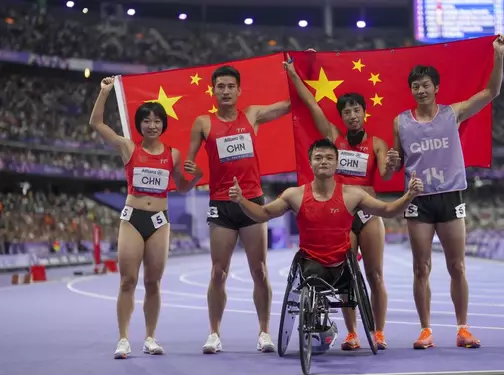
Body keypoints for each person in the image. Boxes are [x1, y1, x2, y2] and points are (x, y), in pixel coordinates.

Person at [228, 139, 423, 349]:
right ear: (310, 163)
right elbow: (263, 213)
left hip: (342, 268)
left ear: (337, 164)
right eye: (318, 158)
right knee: (311, 272)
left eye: (329, 158)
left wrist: (409, 195)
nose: (324, 161)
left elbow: (387, 210)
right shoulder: (295, 195)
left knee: (369, 275)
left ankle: (371, 331)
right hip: (310, 267)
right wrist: (241, 200)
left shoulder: (353, 194)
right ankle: (335, 328)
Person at [391, 35, 504, 349]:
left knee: (457, 265)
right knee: (421, 267)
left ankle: (462, 328)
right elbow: (394, 165)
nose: (420, 89)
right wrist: (391, 162)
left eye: (425, 84)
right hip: (418, 201)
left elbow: (491, 92)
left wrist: (498, 55)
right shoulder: (400, 122)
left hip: (451, 195)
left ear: (436, 87)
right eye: (415, 85)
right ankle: (426, 330)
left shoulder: (452, 114)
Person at [283, 53, 399, 350]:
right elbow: (311, 105)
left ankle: (380, 331)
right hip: (342, 214)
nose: (351, 115)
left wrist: (393, 163)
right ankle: (352, 333)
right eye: (346, 111)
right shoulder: (335, 139)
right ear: (342, 116)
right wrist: (294, 75)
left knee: (375, 274)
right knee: (349, 274)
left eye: (356, 110)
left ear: (364, 112)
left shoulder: (377, 144)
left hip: (369, 213)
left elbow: (386, 173)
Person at [89, 76, 203, 359]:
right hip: (132, 218)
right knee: (127, 280)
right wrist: (104, 93)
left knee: (153, 282)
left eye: (157, 120)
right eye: (146, 120)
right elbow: (97, 124)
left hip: (159, 221)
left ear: (163, 124)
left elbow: (183, 186)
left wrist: (197, 176)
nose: (152, 125)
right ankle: (123, 339)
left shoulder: (173, 155)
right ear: (139, 124)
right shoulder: (129, 148)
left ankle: (150, 337)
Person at [185, 65, 291, 354]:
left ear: (239, 90)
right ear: (213, 90)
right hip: (221, 205)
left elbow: (288, 105)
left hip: (253, 202)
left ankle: (264, 332)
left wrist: (299, 72)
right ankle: (214, 334)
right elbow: (188, 171)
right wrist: (191, 171)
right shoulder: (203, 123)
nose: (226, 91)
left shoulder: (252, 115)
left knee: (259, 271)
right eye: (220, 86)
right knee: (218, 272)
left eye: (231, 86)